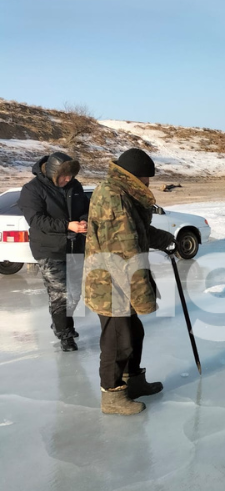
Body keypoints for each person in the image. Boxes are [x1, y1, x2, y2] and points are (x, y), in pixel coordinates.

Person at [83, 148, 176, 415]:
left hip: (121, 280)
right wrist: (142, 295)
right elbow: (126, 251)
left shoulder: (123, 194)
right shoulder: (114, 197)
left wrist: (167, 240)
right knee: (117, 341)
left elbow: (139, 231)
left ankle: (133, 382)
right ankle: (111, 396)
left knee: (134, 333)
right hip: (111, 283)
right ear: (134, 177)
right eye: (146, 180)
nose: (148, 185)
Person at [18, 152, 89, 352]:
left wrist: (83, 220)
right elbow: (37, 220)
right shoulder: (32, 190)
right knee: (61, 293)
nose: (68, 180)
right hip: (48, 249)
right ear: (52, 172)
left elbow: (85, 207)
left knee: (74, 293)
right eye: (64, 176)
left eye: (71, 176)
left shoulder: (75, 187)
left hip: (74, 246)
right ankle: (65, 335)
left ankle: (60, 323)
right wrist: (68, 225)